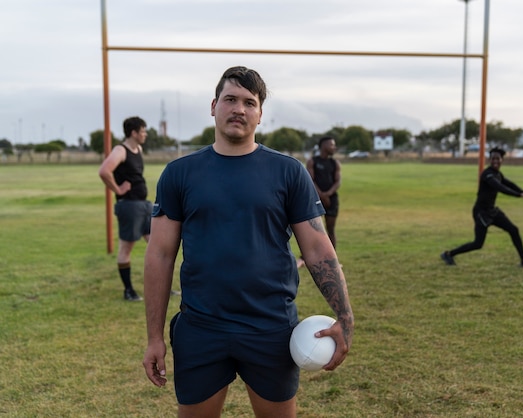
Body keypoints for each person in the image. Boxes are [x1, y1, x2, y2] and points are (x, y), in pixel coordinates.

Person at [142, 66, 354, 418]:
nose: (239, 108)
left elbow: (317, 248)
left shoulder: (288, 171)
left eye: (249, 102)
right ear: (213, 106)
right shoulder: (180, 173)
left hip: (270, 326)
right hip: (202, 327)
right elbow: (160, 255)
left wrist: (345, 316)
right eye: (230, 99)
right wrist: (154, 338)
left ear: (260, 114)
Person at [440, 147, 523, 268]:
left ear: (502, 160)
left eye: (498, 158)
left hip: (492, 211)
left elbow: (509, 184)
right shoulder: (488, 174)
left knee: (513, 230)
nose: (495, 161)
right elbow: (500, 187)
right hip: (481, 212)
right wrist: (518, 195)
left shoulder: (498, 174)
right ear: (490, 160)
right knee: (478, 244)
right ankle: (448, 254)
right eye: (493, 159)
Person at [98, 116, 152, 301]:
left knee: (156, 245)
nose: (145, 134)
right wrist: (118, 189)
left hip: (144, 204)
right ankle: (128, 291)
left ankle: (160, 287)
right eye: (143, 131)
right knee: (126, 249)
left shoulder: (139, 149)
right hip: (129, 205)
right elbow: (104, 171)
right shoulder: (120, 150)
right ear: (133, 132)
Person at [296, 136, 341, 269]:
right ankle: (306, 258)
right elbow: (310, 179)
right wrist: (320, 195)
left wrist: (327, 194)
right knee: (313, 230)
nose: (334, 147)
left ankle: (332, 259)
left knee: (331, 229)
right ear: (324, 146)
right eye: (332, 145)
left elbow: (338, 181)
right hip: (315, 198)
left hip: (331, 199)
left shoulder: (335, 163)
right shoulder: (312, 161)